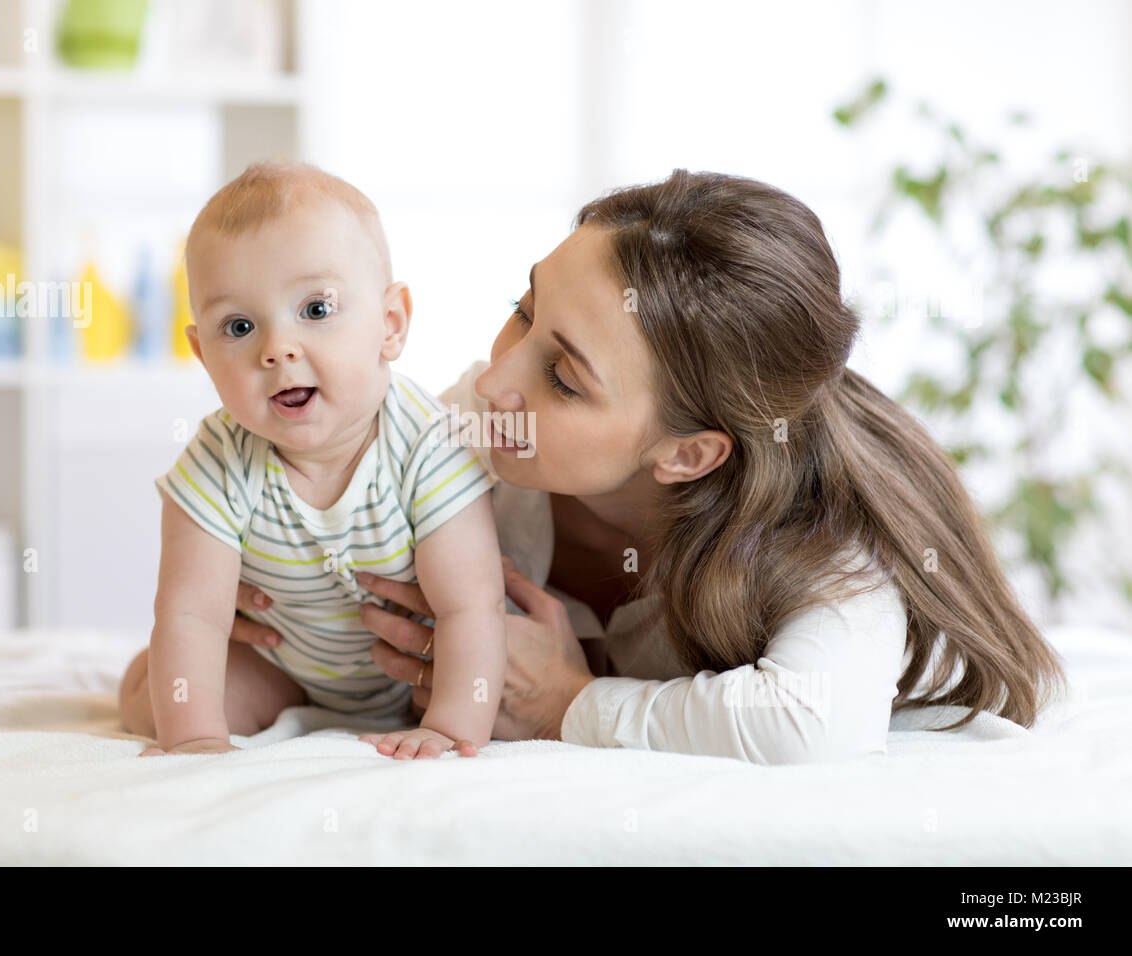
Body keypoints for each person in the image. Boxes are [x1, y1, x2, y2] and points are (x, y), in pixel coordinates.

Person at [223, 169, 1068, 763]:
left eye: (562, 377)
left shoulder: (820, 536)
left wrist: (567, 703)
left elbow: (813, 726)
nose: (495, 379)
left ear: (688, 452)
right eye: (522, 311)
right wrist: (269, 583)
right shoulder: (460, 437)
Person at [117, 162, 506, 760]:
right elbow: (190, 611)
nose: (277, 349)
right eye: (239, 326)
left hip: (418, 678)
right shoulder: (218, 459)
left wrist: (448, 727)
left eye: (316, 310)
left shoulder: (431, 443)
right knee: (151, 694)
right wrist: (194, 740)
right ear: (202, 353)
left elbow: (470, 604)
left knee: (489, 689)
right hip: (286, 671)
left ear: (391, 324)